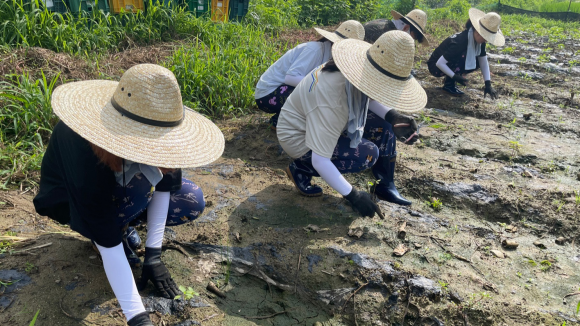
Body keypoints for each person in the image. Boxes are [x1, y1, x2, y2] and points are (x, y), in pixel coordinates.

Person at [33, 64, 225, 326]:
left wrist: (154, 254)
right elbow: (99, 216)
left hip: (120, 192)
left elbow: (166, 186)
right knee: (123, 211)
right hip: (70, 201)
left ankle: (123, 226)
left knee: (191, 199)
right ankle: (108, 233)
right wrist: (138, 318)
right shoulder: (81, 143)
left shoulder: (161, 124)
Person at [277, 30, 426, 216]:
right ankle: (300, 168)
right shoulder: (332, 98)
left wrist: (393, 116)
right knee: (368, 154)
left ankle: (385, 185)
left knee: (385, 125)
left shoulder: (355, 73)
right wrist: (353, 195)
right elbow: (320, 159)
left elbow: (367, 97)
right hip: (299, 137)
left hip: (322, 120)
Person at [254, 20, 365, 130]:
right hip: (268, 94)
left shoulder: (330, 56)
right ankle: (280, 122)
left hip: (281, 93)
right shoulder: (315, 49)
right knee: (320, 92)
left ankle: (285, 119)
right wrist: (323, 87)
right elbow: (290, 78)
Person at [427, 8, 504, 97]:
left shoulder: (479, 43)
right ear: (478, 32)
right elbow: (439, 63)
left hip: (445, 64)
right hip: (435, 67)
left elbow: (483, 62)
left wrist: (488, 84)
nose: (486, 40)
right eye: (485, 37)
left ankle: (449, 80)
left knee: (477, 61)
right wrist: (454, 76)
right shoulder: (461, 41)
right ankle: (449, 85)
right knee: (463, 56)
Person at [363, 9, 429, 45]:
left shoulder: (386, 22)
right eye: (413, 37)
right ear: (406, 28)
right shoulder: (388, 36)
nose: (411, 40)